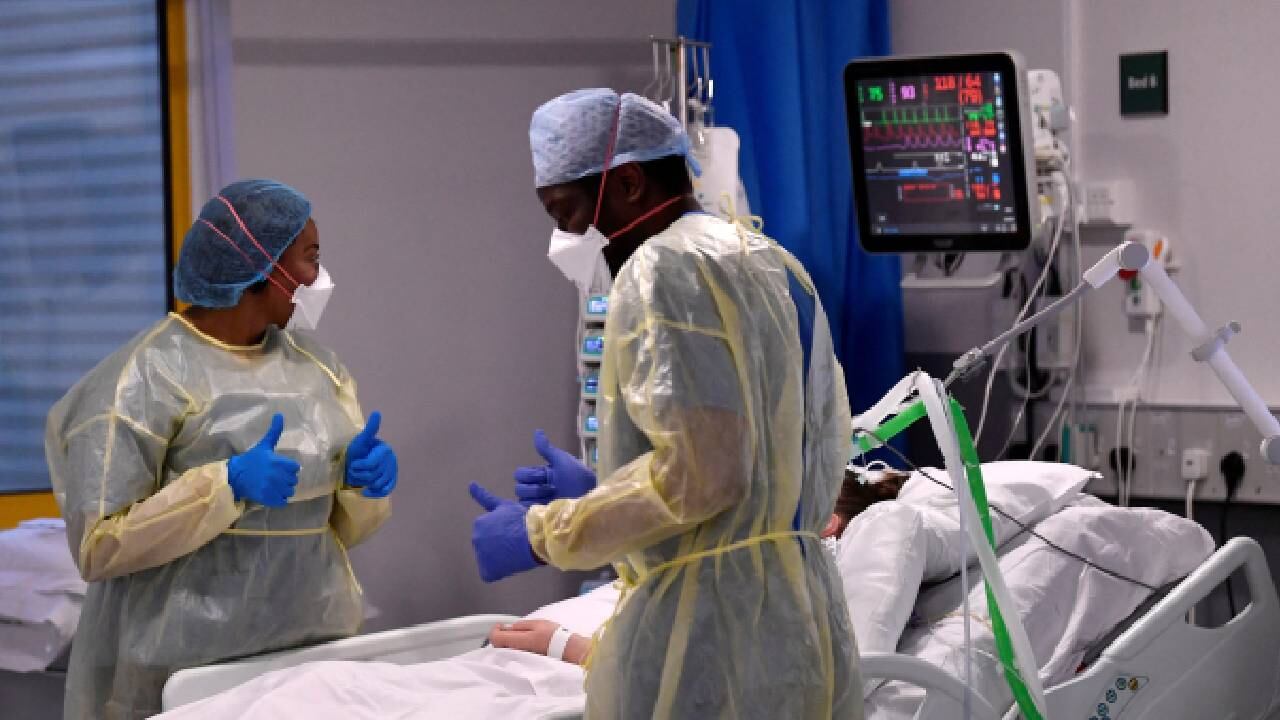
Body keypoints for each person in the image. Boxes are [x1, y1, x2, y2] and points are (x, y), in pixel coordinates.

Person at [468, 89, 861, 719]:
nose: (565, 236)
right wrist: (606, 484)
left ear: (626, 183)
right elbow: (751, 449)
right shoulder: (758, 256)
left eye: (566, 212)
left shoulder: (662, 268)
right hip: (794, 622)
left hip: (708, 633)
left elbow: (703, 477)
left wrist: (545, 534)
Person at [45, 179, 399, 720]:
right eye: (310, 257)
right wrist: (222, 486)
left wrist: (357, 486)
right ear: (263, 269)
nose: (318, 278)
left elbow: (339, 534)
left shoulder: (319, 368)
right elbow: (98, 547)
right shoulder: (142, 381)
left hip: (309, 654)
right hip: (180, 672)